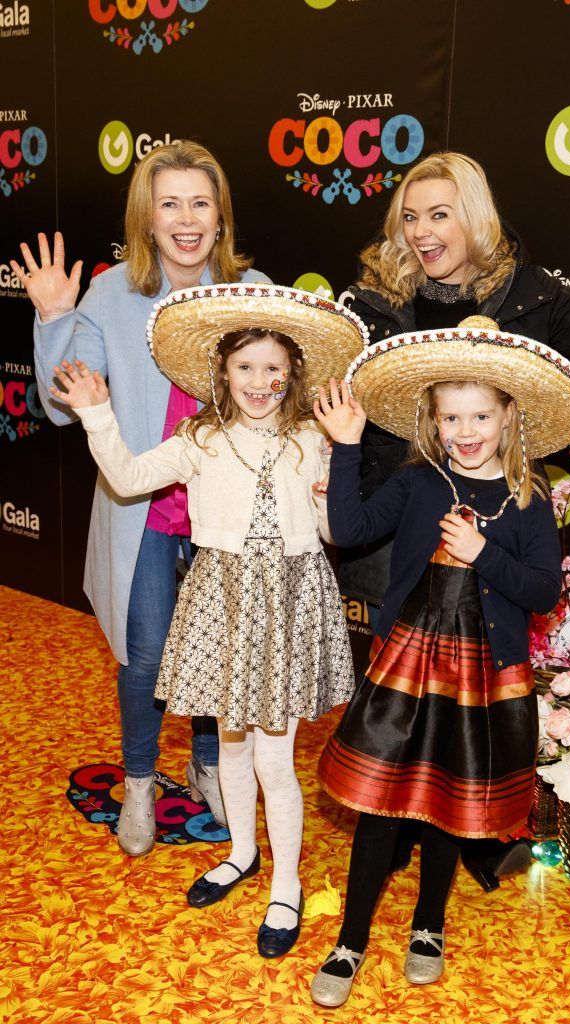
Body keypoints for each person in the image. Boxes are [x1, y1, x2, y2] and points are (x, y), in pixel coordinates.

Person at [336, 150, 570, 889]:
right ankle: (396, 817)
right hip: (395, 534)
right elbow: (328, 398)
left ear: (475, 215)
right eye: (409, 216)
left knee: (470, 700)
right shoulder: (372, 302)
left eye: (440, 214)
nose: (423, 232)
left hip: (490, 534)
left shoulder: (527, 297)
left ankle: (460, 825)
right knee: (400, 695)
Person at [48, 283, 366, 958]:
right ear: (222, 372)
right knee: (229, 745)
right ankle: (242, 853)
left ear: (293, 373)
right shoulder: (198, 437)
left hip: (285, 602)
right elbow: (130, 477)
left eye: (273, 367)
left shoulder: (312, 439)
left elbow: (338, 532)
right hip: (219, 602)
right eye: (245, 366)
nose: (260, 381)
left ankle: (284, 885)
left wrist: (339, 463)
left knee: (276, 761)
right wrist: (98, 416)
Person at [309, 319, 570, 1006]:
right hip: (406, 667)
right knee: (380, 808)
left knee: (447, 807)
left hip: (480, 678)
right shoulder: (417, 483)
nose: (464, 431)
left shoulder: (528, 502)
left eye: (479, 415)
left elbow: (541, 590)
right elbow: (348, 532)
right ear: (431, 420)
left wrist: (483, 554)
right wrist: (345, 448)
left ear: (507, 415)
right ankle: (351, 937)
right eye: (449, 416)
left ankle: (428, 925)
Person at [10, 141, 272, 856]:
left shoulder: (254, 291)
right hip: (143, 509)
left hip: (227, 514)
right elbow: (66, 408)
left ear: (220, 217)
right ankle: (137, 782)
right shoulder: (111, 292)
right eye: (169, 204)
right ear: (146, 220)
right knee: (147, 654)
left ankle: (209, 764)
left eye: (199, 202)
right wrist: (57, 320)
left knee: (220, 653)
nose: (185, 219)